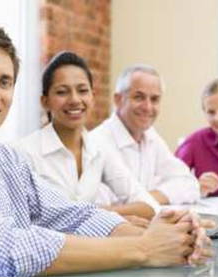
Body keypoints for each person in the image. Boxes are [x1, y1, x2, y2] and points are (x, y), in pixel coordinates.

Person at [0, 22, 212, 277]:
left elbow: (75, 214)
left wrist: (169, 238)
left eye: (4, 82)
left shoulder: (6, 160)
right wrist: (144, 248)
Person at [11, 52, 159, 225]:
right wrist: (106, 217)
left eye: (82, 91)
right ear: (45, 102)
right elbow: (26, 223)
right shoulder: (22, 154)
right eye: (62, 92)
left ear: (92, 97)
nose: (74, 100)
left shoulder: (98, 149)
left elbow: (149, 205)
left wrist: (104, 213)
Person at [90, 65, 200, 205]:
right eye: (139, 97)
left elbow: (189, 184)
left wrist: (143, 201)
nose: (147, 107)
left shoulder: (150, 136)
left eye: (154, 99)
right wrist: (152, 199)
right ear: (118, 100)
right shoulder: (97, 143)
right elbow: (102, 206)